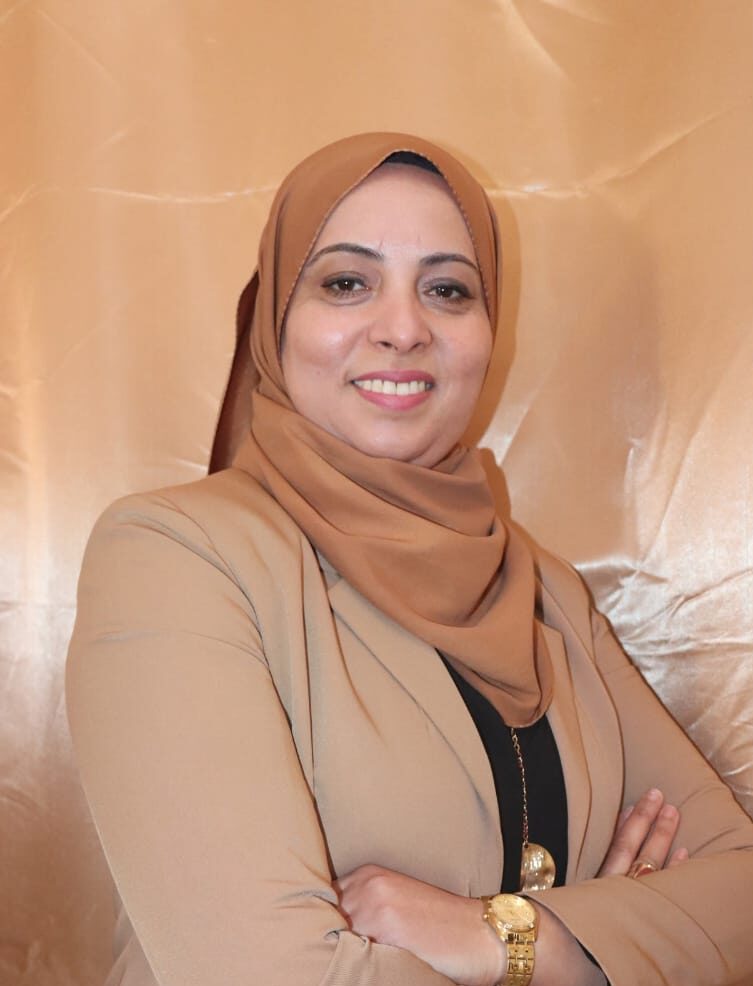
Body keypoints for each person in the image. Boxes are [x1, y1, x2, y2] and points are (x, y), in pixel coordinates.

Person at [66, 133, 753, 986]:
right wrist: (612, 945)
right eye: (346, 282)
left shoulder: (543, 594)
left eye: (447, 289)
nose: (402, 329)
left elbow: (739, 886)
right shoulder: (180, 557)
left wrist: (504, 937)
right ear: (275, 319)